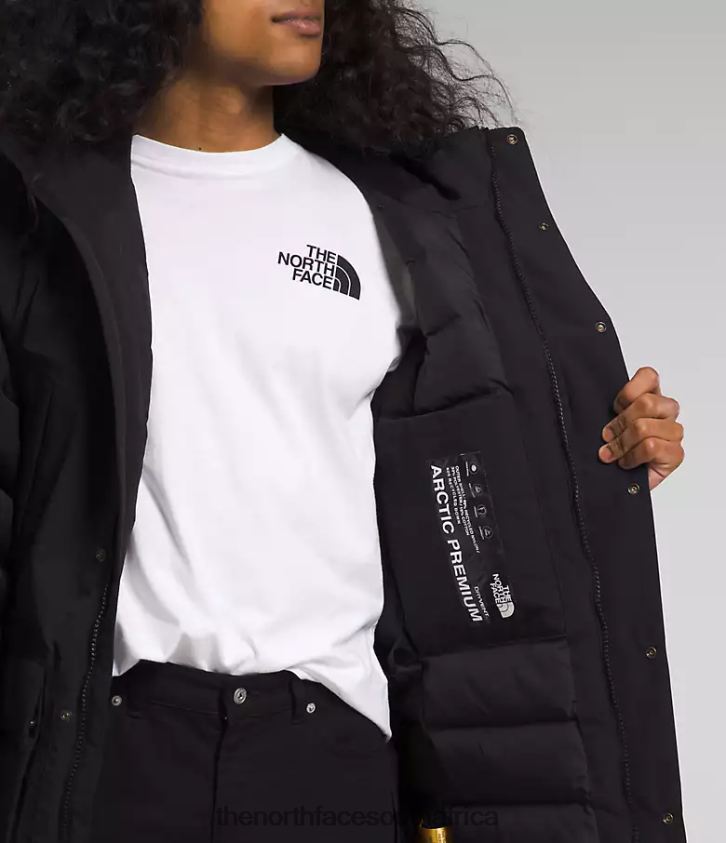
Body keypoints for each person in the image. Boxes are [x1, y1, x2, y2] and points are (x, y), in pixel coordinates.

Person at [0, 1, 687, 842]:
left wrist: (601, 451)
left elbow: (470, 497)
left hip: (335, 754)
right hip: (115, 754)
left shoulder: (400, 218)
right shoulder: (41, 216)